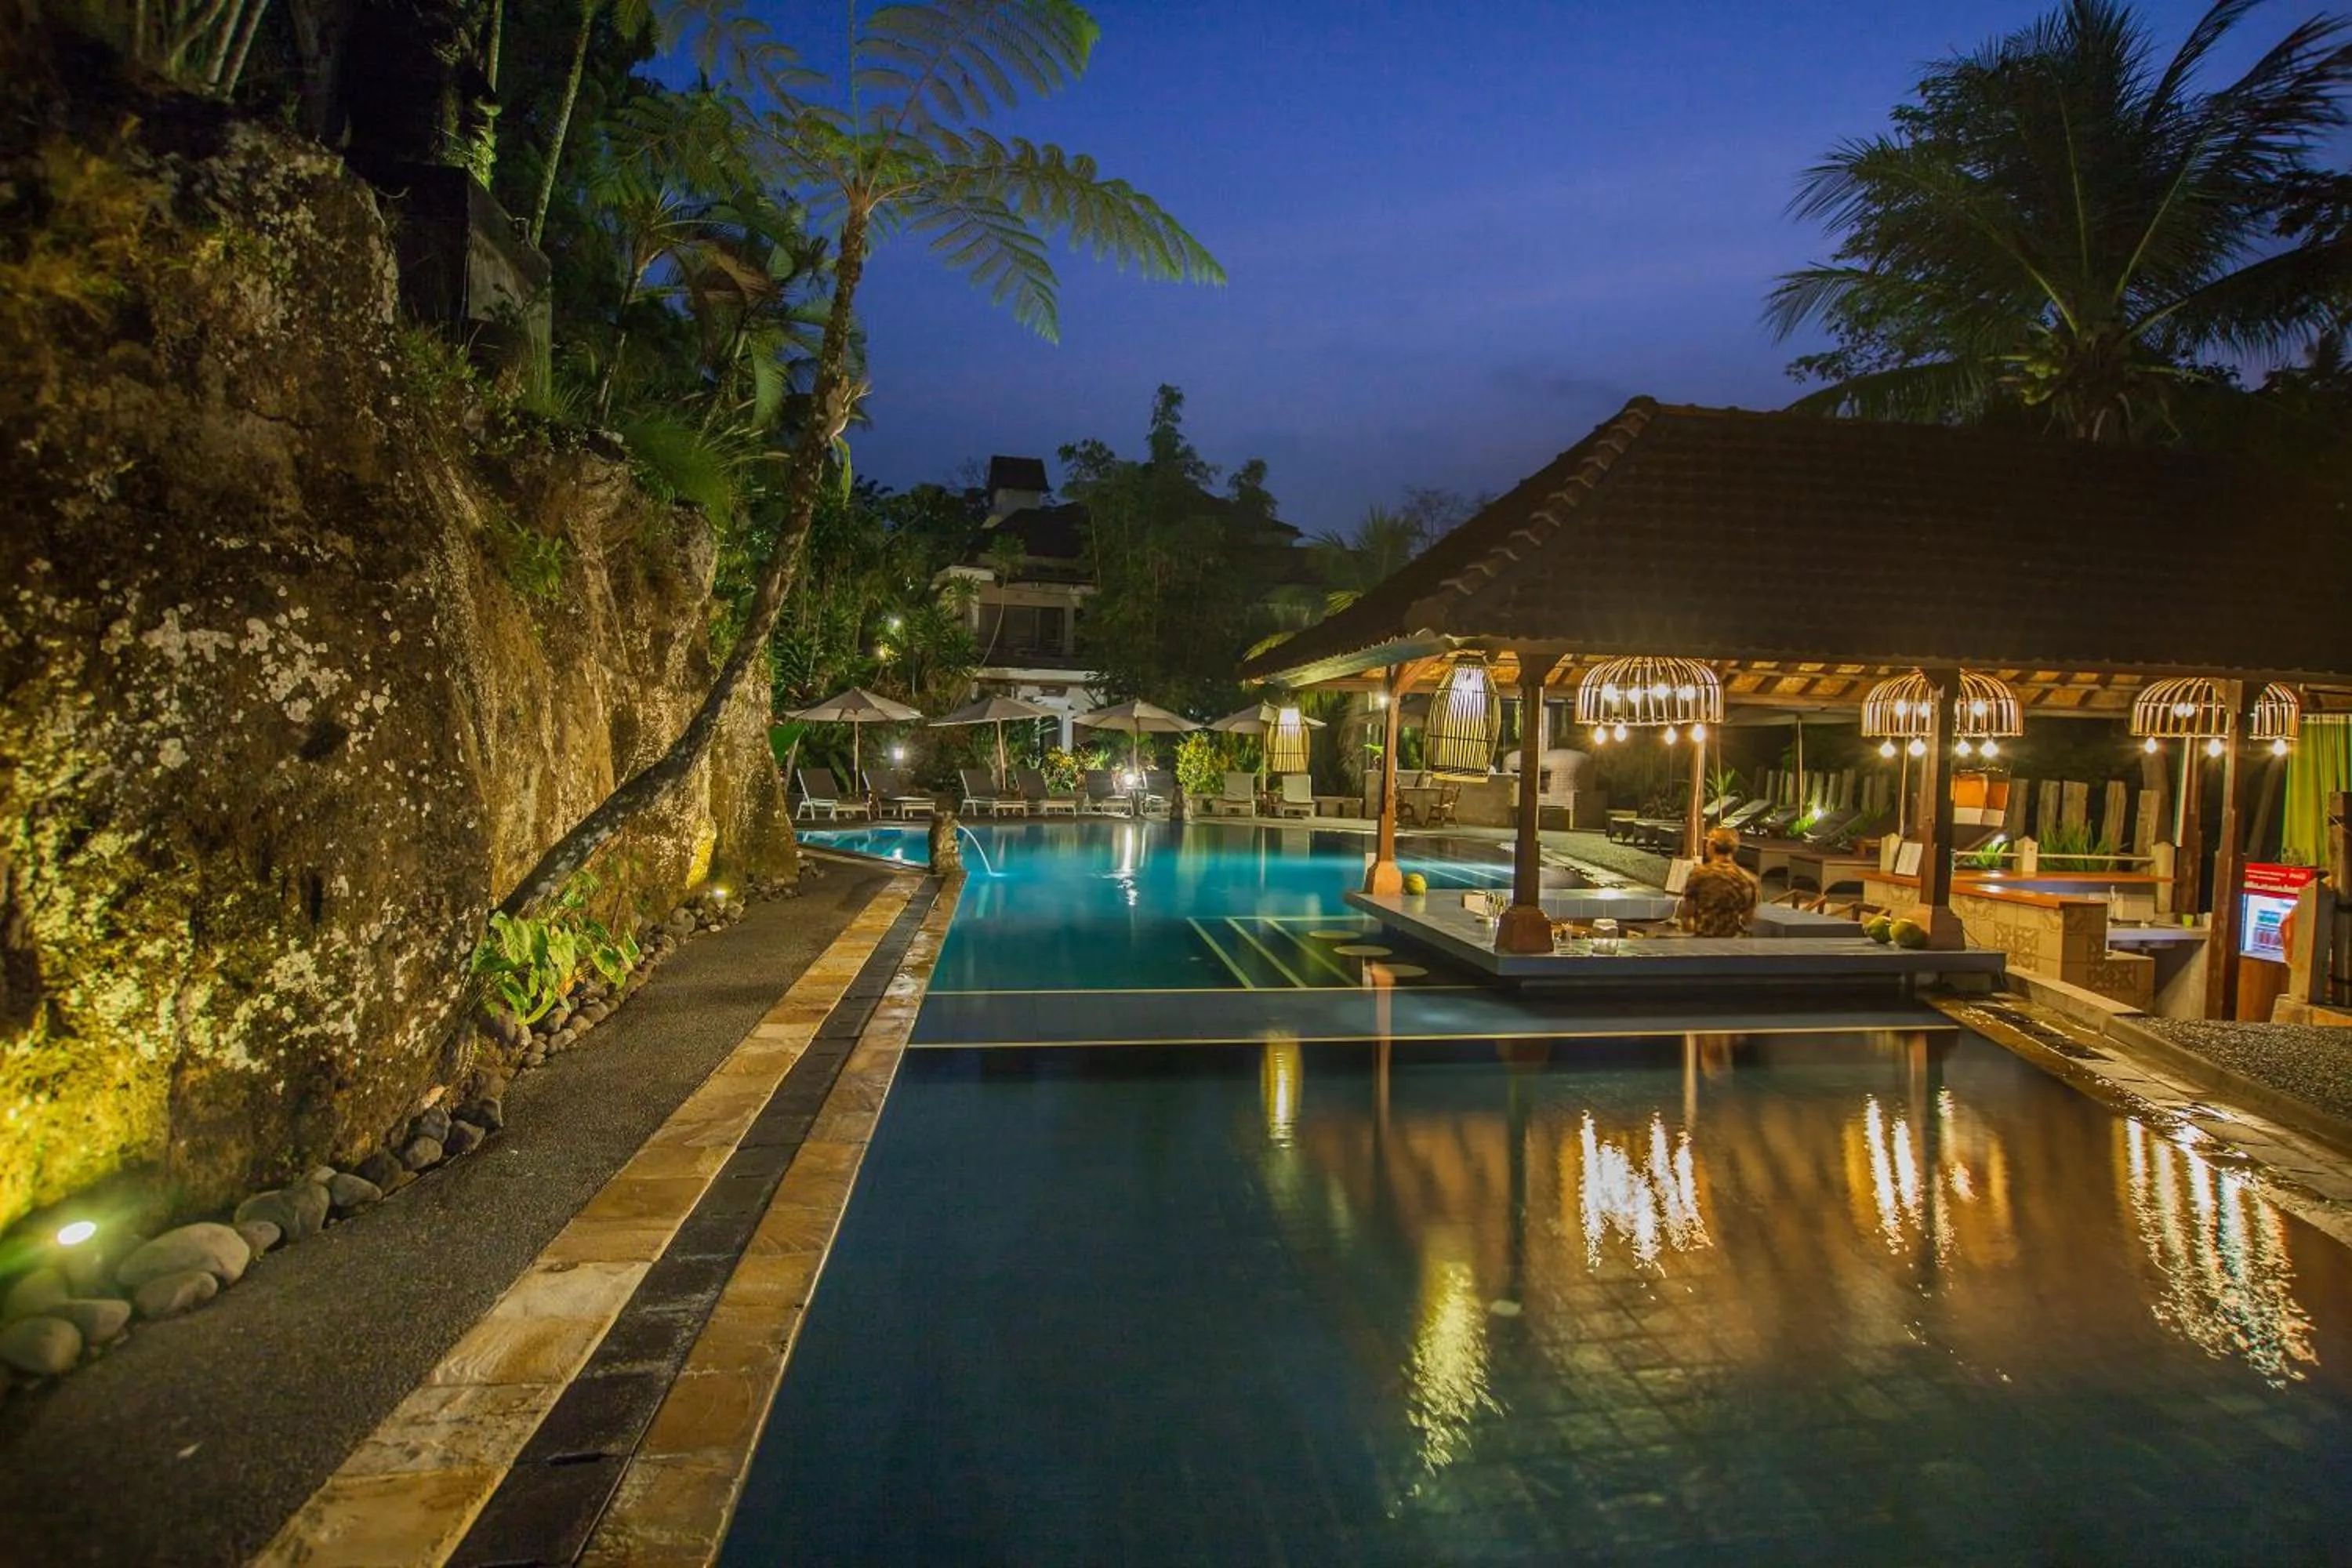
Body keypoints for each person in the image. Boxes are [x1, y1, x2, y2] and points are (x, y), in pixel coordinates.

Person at [1679, 826, 1757, 937]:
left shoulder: (1699, 874)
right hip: (1734, 943)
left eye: (1707, 842)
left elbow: (1687, 914)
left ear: (1712, 845)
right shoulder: (1749, 879)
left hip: (1703, 941)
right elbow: (1749, 919)